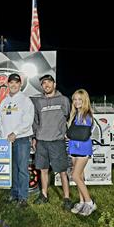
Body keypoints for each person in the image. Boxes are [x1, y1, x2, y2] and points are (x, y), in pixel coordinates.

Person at [31, 74, 73, 210]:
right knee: (43, 170)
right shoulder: (39, 102)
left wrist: (64, 132)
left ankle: (66, 198)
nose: (46, 85)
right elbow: (36, 121)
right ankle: (44, 195)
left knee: (62, 171)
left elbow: (67, 116)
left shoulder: (63, 100)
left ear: (54, 84)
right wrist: (35, 137)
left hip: (57, 141)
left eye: (49, 82)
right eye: (44, 84)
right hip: (42, 141)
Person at [0, 73, 34, 208]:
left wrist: (15, 133)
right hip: (7, 141)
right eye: (11, 82)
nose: (13, 85)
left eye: (16, 83)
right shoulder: (4, 101)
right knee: (12, 169)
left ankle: (23, 197)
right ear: (8, 84)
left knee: (22, 169)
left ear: (20, 85)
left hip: (21, 139)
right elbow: (0, 122)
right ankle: (14, 194)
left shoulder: (25, 100)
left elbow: (28, 121)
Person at [67, 89, 97, 216]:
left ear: (85, 100)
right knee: (80, 176)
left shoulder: (87, 114)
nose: (77, 102)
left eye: (80, 99)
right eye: (75, 99)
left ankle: (90, 203)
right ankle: (81, 201)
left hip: (83, 148)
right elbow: (72, 134)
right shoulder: (74, 115)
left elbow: (83, 134)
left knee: (75, 176)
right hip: (74, 148)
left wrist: (71, 134)